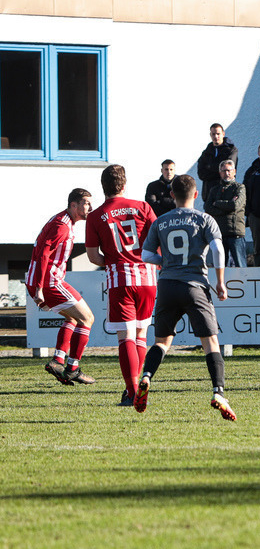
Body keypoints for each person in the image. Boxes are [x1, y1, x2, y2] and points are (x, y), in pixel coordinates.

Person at [136, 174, 235, 421]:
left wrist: (166, 262)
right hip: (195, 285)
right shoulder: (205, 219)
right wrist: (220, 282)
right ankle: (218, 393)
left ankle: (146, 377)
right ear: (196, 194)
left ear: (172, 196)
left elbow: (146, 255)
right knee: (210, 343)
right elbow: (218, 249)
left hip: (168, 285)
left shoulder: (160, 222)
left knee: (161, 341)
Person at [84, 164, 158, 406]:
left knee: (125, 336)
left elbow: (94, 257)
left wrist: (115, 261)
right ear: (124, 185)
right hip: (147, 277)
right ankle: (138, 385)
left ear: (103, 187)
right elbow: (157, 242)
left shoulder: (95, 216)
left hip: (120, 278)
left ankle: (132, 390)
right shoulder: (143, 207)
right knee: (141, 335)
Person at [27, 189, 97, 386]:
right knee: (88, 318)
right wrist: (40, 288)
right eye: (86, 203)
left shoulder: (62, 220)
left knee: (73, 318)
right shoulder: (62, 226)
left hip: (43, 281)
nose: (90, 207)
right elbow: (43, 255)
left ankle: (58, 361)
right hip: (50, 282)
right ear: (73, 205)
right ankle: (73, 368)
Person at [204, 159, 248, 268]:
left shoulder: (240, 188)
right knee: (220, 267)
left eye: (229, 170)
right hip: (219, 234)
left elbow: (235, 205)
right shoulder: (214, 190)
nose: (226, 173)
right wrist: (227, 207)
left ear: (234, 171)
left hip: (236, 233)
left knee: (240, 266)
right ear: (220, 173)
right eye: (223, 171)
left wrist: (217, 203)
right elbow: (208, 208)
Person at [197, 123, 238, 202]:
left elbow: (227, 171)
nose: (216, 136)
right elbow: (201, 174)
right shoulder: (206, 152)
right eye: (213, 134)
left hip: (225, 195)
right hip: (209, 195)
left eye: (218, 134)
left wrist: (209, 167)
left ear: (223, 134)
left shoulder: (231, 150)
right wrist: (218, 169)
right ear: (210, 135)